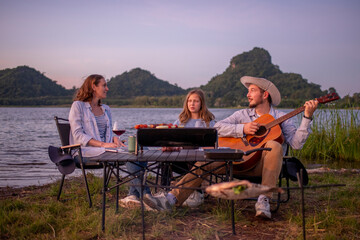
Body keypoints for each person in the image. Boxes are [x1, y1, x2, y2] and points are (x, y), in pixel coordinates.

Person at [144, 76, 318, 219]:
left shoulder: (282, 117)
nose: (248, 94)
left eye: (252, 90)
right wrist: (242, 128)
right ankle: (170, 199)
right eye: (248, 91)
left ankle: (264, 200)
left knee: (274, 145)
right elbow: (217, 127)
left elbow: (296, 144)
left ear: (265, 95)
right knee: (206, 161)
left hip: (261, 167)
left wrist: (307, 118)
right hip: (235, 161)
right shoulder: (241, 115)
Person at [164, 89, 216, 208]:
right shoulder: (180, 121)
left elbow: (214, 144)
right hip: (181, 160)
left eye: (196, 101)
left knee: (191, 147)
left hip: (201, 163)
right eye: (190, 101)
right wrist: (171, 146)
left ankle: (196, 192)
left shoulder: (208, 122)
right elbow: (172, 139)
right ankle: (164, 190)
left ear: (201, 103)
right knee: (165, 157)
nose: (192, 104)